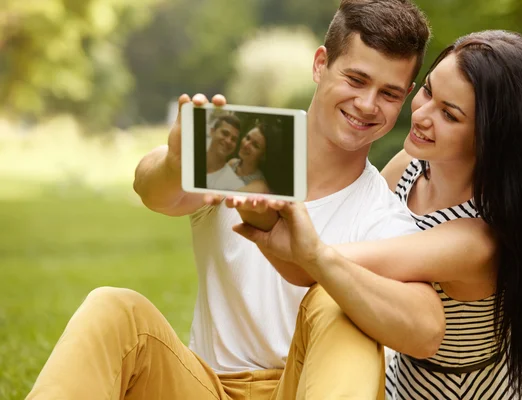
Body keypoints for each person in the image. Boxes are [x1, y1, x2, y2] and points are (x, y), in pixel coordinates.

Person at [26, 1, 435, 399]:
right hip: (204, 387)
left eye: (389, 93)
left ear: (406, 97)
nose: (367, 105)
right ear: (319, 64)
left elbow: (425, 330)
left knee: (337, 302)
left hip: (305, 387)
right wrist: (175, 163)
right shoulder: (243, 148)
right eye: (356, 80)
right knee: (113, 308)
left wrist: (322, 265)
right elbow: (152, 191)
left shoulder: (383, 215)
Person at [230, 30, 522, 399]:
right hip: (398, 384)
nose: (421, 114)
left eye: (449, 115)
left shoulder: (476, 239)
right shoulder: (410, 167)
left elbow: (313, 265)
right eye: (428, 92)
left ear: (491, 136)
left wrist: (278, 226)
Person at [206, 114, 245, 191]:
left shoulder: (234, 185)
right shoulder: (191, 157)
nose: (228, 141)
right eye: (225, 133)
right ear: (212, 132)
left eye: (233, 139)